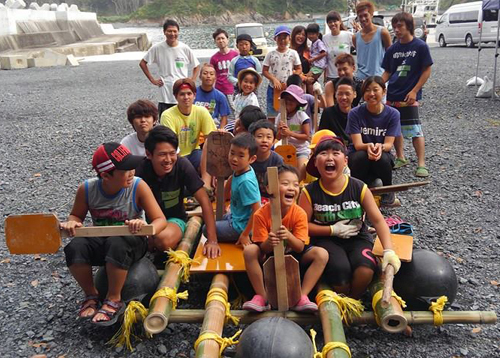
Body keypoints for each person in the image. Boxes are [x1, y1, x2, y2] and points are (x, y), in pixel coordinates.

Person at [61, 143, 167, 325]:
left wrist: (145, 226)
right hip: (101, 241)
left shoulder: (137, 186)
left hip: (132, 242)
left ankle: (114, 298)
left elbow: (160, 220)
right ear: (105, 175)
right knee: (75, 247)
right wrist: (72, 222)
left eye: (132, 166)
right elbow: (76, 215)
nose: (132, 172)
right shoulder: (86, 190)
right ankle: (91, 294)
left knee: (117, 243)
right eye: (125, 170)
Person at [299, 136, 401, 299]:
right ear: (316, 162)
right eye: (323, 153)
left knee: (365, 269)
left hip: (358, 237)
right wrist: (332, 230)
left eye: (335, 153)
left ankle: (353, 301)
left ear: (345, 161)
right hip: (325, 240)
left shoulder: (359, 187)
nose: (330, 158)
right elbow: (302, 226)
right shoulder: (309, 192)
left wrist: (389, 250)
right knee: (340, 270)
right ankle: (341, 300)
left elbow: (378, 220)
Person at [243, 165, 328, 312]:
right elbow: (262, 248)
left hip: (294, 255)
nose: (291, 188)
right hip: (269, 257)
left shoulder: (299, 213)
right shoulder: (260, 214)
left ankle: (302, 296)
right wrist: (269, 243)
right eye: (285, 183)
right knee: (249, 251)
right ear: (270, 189)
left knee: (322, 254)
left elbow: (300, 247)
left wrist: (288, 236)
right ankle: (262, 296)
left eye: (295, 185)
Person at [136, 126, 220, 259]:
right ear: (149, 154)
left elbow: (204, 201)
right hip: (148, 223)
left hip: (174, 219)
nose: (169, 159)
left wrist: (212, 240)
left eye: (172, 153)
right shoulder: (141, 170)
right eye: (162, 154)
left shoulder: (182, 166)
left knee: (162, 240)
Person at [382, 12, 433, 178]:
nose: (396, 30)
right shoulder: (392, 49)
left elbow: (426, 70)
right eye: (394, 26)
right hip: (392, 95)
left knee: (415, 130)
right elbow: (388, 71)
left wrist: (415, 90)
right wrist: (377, 85)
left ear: (409, 26)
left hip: (409, 96)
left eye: (400, 26)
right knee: (395, 129)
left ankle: (421, 163)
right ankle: (400, 157)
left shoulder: (420, 46)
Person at [345, 76, 401, 205]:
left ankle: (388, 190)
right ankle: (356, 190)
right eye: (367, 90)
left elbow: (388, 144)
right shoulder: (354, 113)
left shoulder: (393, 114)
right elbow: (358, 144)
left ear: (384, 91)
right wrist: (369, 146)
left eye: (375, 90)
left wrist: (379, 148)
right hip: (359, 154)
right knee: (360, 156)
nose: (371, 94)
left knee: (381, 158)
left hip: (382, 153)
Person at [160, 78, 216, 189]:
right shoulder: (167, 115)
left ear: (194, 95)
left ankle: (206, 185)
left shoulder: (201, 111)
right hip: (175, 155)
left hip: (194, 151)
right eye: (182, 94)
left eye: (189, 94)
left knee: (208, 155)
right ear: (175, 96)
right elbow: (170, 145)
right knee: (185, 180)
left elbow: (210, 139)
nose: (186, 97)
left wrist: (210, 173)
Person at [207, 133, 261, 244]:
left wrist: (245, 234)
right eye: (232, 153)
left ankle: (244, 236)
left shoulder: (246, 182)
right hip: (236, 216)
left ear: (252, 159)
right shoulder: (241, 169)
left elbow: (257, 209)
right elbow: (231, 180)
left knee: (207, 229)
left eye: (241, 156)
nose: (234, 159)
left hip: (241, 226)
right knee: (213, 220)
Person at [140, 19, 200, 117]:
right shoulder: (158, 48)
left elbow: (196, 66)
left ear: (178, 32)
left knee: (184, 119)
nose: (172, 34)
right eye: (169, 31)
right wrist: (152, 80)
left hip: (182, 90)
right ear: (164, 32)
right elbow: (143, 63)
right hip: (165, 92)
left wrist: (192, 80)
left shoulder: (184, 48)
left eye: (175, 31)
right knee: (165, 120)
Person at [263, 25, 302, 119]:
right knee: (272, 113)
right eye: (279, 38)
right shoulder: (270, 54)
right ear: (274, 39)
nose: (282, 41)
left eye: (285, 38)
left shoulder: (293, 53)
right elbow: (265, 71)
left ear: (289, 39)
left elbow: (299, 68)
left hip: (288, 88)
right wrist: (273, 79)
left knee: (290, 112)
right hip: (274, 88)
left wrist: (291, 79)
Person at [275, 84, 311, 181]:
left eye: (292, 100)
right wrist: (280, 131)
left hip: (300, 149)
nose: (289, 102)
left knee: (300, 170)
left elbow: (307, 136)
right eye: (287, 99)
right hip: (284, 148)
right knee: (280, 171)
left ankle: (298, 188)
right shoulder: (280, 116)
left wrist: (290, 133)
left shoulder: (302, 116)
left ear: (298, 103)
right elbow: (277, 137)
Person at [352, 1, 392, 80]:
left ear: (371, 15)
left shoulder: (383, 32)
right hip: (361, 80)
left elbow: (390, 56)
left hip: (379, 78)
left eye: (365, 15)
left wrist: (385, 78)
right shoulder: (355, 37)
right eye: (360, 16)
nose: (363, 19)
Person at [248, 119, 284, 201]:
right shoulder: (248, 158)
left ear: (273, 140)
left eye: (269, 137)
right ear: (252, 138)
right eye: (260, 136)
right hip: (250, 198)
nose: (264, 140)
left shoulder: (277, 160)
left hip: (271, 199)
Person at [319, 77, 357, 146]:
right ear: (335, 95)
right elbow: (322, 136)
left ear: (354, 94)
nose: (344, 97)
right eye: (340, 94)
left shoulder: (358, 114)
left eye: (347, 94)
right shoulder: (328, 113)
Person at [194, 63, 231, 129]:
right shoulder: (193, 93)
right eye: (205, 73)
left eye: (211, 74)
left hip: (212, 127)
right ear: (200, 77)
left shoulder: (220, 96)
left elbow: (224, 117)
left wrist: (220, 131)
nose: (208, 76)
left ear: (215, 78)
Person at [227, 67, 262, 133]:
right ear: (240, 82)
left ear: (255, 85)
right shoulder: (238, 96)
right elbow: (234, 110)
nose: (248, 85)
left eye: (251, 83)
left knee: (227, 128)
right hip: (236, 122)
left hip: (247, 125)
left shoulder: (252, 99)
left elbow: (253, 116)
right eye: (245, 81)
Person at [323, 11, 353, 82]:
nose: (332, 24)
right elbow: (325, 59)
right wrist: (325, 76)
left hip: (346, 75)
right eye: (330, 22)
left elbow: (361, 47)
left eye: (335, 21)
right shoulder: (324, 38)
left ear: (340, 22)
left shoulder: (348, 35)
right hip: (331, 76)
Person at [210, 28, 238, 96]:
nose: (221, 41)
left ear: (227, 40)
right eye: (218, 39)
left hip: (234, 89)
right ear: (215, 42)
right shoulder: (214, 58)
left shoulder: (236, 55)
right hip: (219, 90)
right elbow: (212, 75)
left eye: (223, 38)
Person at [304, 23, 328, 94]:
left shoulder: (319, 43)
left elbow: (324, 53)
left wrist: (313, 59)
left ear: (317, 34)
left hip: (318, 65)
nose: (310, 36)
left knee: (308, 80)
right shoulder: (313, 43)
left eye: (313, 34)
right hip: (316, 65)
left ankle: (313, 97)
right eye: (309, 34)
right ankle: (317, 93)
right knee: (309, 79)